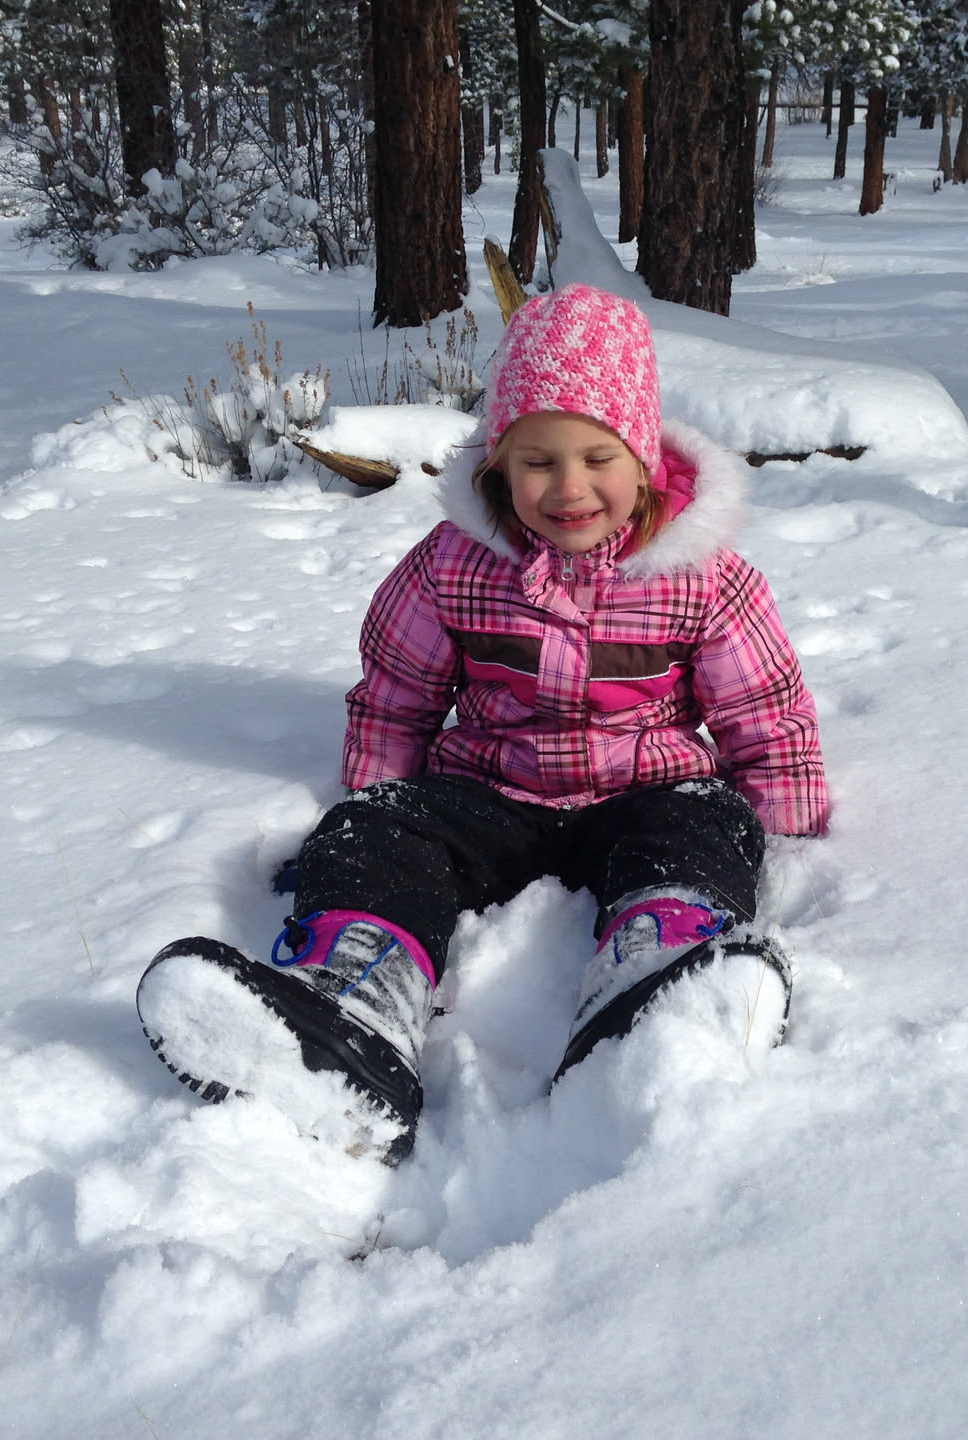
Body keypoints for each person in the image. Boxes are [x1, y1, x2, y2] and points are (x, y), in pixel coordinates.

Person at [136, 283, 829, 1162]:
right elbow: (398, 687)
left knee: (706, 820)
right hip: (493, 795)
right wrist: (380, 792)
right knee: (377, 830)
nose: (568, 488)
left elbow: (764, 711)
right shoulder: (456, 565)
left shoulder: (699, 577)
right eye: (538, 461)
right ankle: (354, 1002)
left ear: (645, 458)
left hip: (643, 795)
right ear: (498, 462)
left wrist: (786, 824)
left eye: (598, 457)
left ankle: (660, 979)